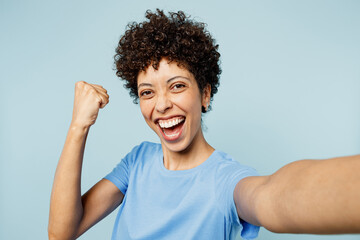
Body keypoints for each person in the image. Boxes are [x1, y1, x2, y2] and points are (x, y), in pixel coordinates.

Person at [48, 9, 360, 240]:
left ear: (205, 94)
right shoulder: (137, 163)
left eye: (177, 86)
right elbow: (62, 233)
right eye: (147, 92)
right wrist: (79, 127)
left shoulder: (225, 180)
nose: (161, 105)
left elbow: (274, 195)